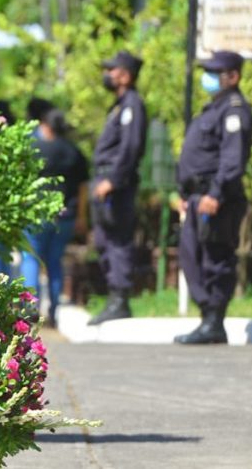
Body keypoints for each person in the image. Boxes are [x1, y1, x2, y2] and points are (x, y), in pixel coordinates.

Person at [175, 51, 252, 345]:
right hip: (198, 198)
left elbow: (233, 160)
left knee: (216, 259)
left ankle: (214, 321)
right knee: (190, 256)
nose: (207, 78)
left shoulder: (234, 110)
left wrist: (215, 194)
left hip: (217, 199)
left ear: (232, 77)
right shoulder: (213, 109)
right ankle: (207, 316)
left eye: (214, 73)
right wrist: (186, 194)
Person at [87, 50, 148, 326]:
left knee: (117, 241)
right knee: (104, 241)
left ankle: (120, 299)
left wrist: (112, 180)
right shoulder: (120, 106)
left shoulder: (132, 105)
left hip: (116, 187)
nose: (108, 75)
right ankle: (114, 295)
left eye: (112, 70)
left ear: (124, 75)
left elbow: (130, 148)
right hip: (105, 183)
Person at [28, 110, 88, 327]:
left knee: (31, 259)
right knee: (55, 263)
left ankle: (30, 309)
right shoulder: (74, 152)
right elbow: (82, 188)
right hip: (66, 216)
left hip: (36, 215)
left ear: (45, 125)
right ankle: (54, 310)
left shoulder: (34, 149)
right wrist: (82, 217)